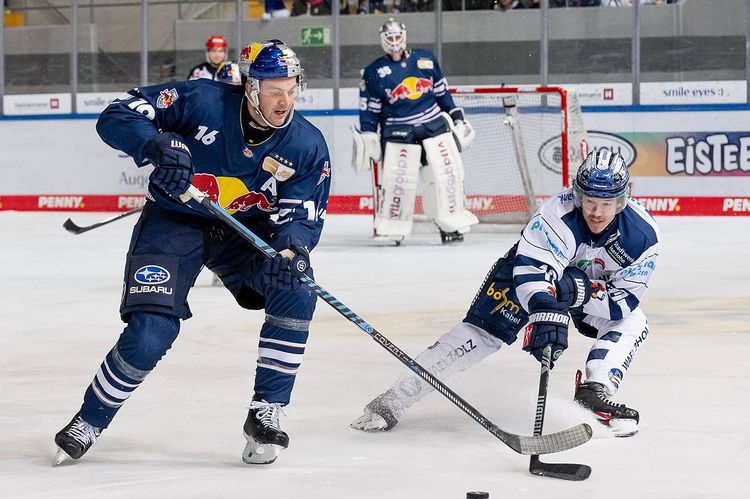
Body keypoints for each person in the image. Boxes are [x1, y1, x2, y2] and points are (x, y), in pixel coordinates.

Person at [54, 39, 332, 466]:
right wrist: (154, 145)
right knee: (152, 331)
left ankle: (266, 412)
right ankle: (90, 420)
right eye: (274, 89)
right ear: (249, 87)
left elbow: (300, 217)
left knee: (297, 286)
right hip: (174, 223)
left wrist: (292, 246)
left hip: (242, 232)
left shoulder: (304, 145)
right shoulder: (200, 100)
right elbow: (116, 114)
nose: (286, 100)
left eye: (292, 88)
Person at [351, 149, 658, 437]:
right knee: (478, 336)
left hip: (586, 291)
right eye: (589, 200)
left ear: (623, 199)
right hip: (530, 279)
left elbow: (624, 300)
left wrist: (578, 293)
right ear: (577, 194)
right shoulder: (556, 213)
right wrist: (546, 310)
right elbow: (532, 275)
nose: (596, 211)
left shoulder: (642, 236)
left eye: (606, 203)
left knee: (634, 321)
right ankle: (395, 398)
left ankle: (595, 391)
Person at [352, 18, 478, 245]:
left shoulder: (426, 59)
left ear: (405, 36)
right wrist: (368, 134)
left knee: (445, 174)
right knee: (398, 180)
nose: (394, 42)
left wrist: (457, 116)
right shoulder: (373, 72)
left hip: (433, 127)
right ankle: (394, 225)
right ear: (382, 39)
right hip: (398, 132)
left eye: (397, 36)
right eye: (389, 37)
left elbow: (442, 94)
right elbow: (369, 110)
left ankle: (449, 223)